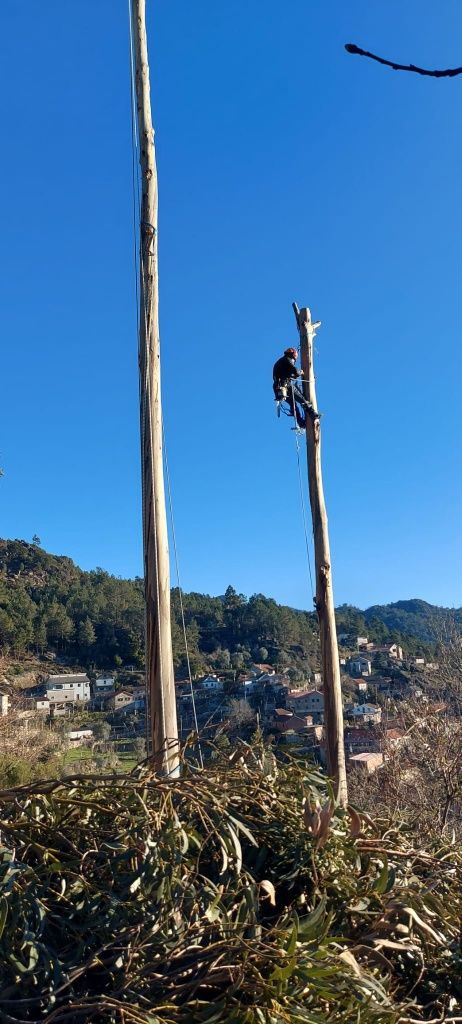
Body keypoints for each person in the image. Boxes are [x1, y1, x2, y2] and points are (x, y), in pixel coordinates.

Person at [272, 347, 318, 429]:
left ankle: (301, 422)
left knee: (293, 405)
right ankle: (313, 414)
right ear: (293, 355)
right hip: (286, 386)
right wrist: (301, 372)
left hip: (278, 389)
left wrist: (294, 375)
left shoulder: (281, 361)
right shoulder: (288, 359)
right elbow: (296, 371)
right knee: (302, 400)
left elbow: (288, 374)